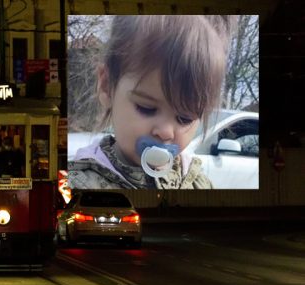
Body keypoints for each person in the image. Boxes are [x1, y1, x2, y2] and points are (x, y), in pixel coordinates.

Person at [68, 15, 235, 189]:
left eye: (184, 118)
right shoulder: (80, 183)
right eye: (147, 108)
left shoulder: (196, 182)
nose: (165, 132)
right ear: (107, 86)